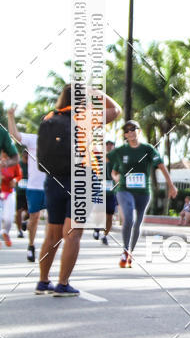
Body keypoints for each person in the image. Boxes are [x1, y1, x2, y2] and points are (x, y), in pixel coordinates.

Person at [36, 85, 121, 296]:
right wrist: (94, 91)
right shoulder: (84, 117)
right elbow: (116, 110)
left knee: (53, 234)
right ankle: (63, 284)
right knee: (73, 233)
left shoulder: (48, 118)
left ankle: (43, 281)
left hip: (53, 180)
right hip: (81, 180)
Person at [108, 121, 178, 268]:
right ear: (125, 135)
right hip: (124, 189)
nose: (130, 132)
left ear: (138, 131)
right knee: (129, 218)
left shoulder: (148, 149)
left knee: (138, 222)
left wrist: (171, 185)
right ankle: (125, 250)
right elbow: (109, 164)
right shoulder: (121, 151)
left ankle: (130, 252)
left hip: (143, 192)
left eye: (133, 129)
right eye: (127, 130)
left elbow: (161, 166)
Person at [7, 105, 47, 262]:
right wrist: (11, 116)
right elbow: (14, 135)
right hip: (34, 187)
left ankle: (48, 248)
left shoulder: (60, 142)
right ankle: (31, 245)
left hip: (53, 186)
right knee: (35, 216)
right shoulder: (33, 140)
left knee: (54, 220)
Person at [93, 140, 116, 245]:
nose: (110, 147)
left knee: (110, 215)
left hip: (112, 192)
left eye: (112, 145)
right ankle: (97, 229)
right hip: (100, 190)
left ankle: (105, 235)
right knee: (99, 213)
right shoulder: (99, 158)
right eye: (108, 145)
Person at [0, 150, 22, 246]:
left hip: (9, 192)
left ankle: (5, 232)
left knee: (8, 218)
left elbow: (19, 175)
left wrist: (14, 180)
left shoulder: (14, 163)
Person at [15, 151, 28, 239]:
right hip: (20, 192)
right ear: (22, 155)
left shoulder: (32, 165)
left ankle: (24, 221)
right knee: (18, 211)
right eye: (25, 155)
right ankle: (19, 231)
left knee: (30, 212)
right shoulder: (18, 164)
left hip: (30, 191)